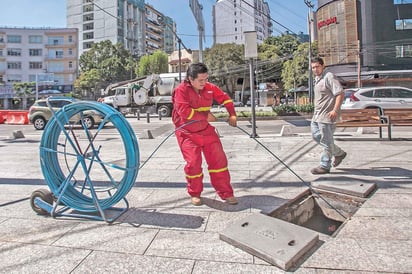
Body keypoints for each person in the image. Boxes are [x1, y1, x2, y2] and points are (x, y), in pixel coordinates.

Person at [172, 62, 238, 206]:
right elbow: (183, 111)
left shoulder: (209, 88)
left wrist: (232, 114)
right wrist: (205, 117)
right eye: (201, 80)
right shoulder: (181, 90)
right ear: (191, 78)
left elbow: (225, 99)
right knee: (193, 163)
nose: (204, 82)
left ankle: (226, 193)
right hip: (186, 132)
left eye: (206, 79)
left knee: (219, 160)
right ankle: (195, 193)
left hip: (206, 131)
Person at [310, 57, 347, 175]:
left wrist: (335, 110)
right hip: (317, 115)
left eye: (317, 66)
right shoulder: (317, 79)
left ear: (322, 66)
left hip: (327, 116)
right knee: (316, 136)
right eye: (313, 67)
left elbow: (340, 93)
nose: (315, 69)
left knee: (326, 140)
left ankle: (324, 165)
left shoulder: (329, 76)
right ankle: (339, 153)